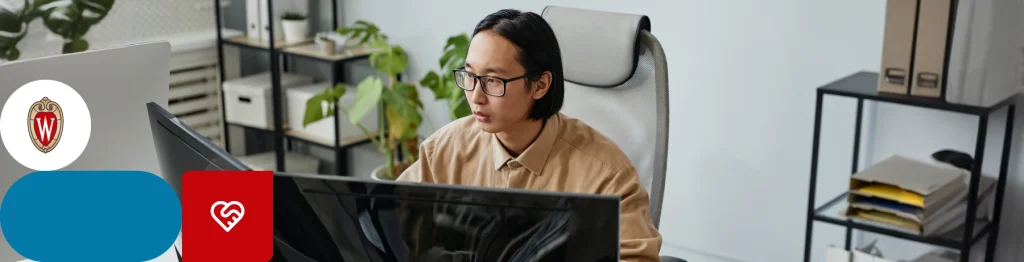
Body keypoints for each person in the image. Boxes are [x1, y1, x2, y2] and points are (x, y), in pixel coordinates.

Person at [397, 9, 662, 261]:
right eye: (470, 75)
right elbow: (393, 227)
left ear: (540, 85)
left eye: (492, 80)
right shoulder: (444, 150)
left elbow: (636, 258)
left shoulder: (606, 175)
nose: (475, 97)